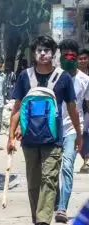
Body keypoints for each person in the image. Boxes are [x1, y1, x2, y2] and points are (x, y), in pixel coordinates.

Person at [8, 35, 82, 225]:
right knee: (33, 182)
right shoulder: (25, 77)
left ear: (53, 53)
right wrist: (10, 137)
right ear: (33, 54)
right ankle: (38, 218)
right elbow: (17, 108)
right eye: (39, 50)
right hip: (29, 140)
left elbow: (72, 108)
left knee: (49, 179)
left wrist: (78, 134)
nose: (43, 54)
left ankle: (42, 221)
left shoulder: (63, 78)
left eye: (47, 50)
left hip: (53, 139)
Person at [54, 39, 89, 223]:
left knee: (67, 166)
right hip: (53, 129)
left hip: (73, 130)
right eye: (64, 55)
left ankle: (62, 208)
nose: (67, 59)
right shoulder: (54, 76)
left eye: (71, 56)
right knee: (51, 170)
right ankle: (55, 200)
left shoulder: (85, 81)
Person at [79, 49, 89, 173]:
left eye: (85, 58)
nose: (82, 61)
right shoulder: (73, 75)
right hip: (77, 109)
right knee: (80, 134)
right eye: (80, 59)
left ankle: (87, 159)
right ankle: (86, 157)